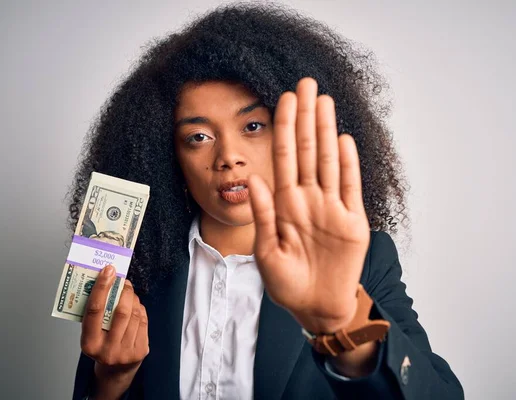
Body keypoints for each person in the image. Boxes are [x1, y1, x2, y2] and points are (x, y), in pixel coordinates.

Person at [70, 3, 463, 399]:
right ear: (168, 157)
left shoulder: (366, 260)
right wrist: (111, 381)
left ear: (288, 136)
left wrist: (343, 322)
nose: (228, 156)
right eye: (198, 137)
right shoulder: (136, 263)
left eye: (253, 126)